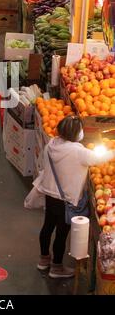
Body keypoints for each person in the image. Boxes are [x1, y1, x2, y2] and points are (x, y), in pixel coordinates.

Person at [34, 116, 115, 279]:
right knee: (62, 233)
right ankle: (56, 267)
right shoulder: (78, 151)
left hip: (50, 194)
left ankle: (43, 260)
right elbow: (98, 158)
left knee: (47, 227)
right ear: (76, 133)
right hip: (66, 200)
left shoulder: (52, 144)